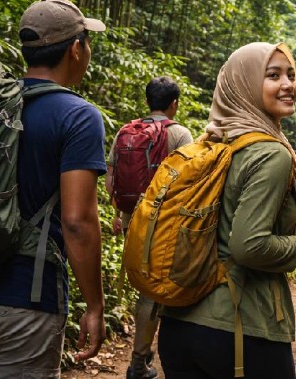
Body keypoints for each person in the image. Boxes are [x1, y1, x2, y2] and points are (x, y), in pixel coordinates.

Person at [0, 0, 108, 378]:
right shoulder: (78, 116)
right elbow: (78, 221)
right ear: (77, 49)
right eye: (87, 42)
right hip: (23, 304)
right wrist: (94, 307)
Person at [156, 42, 296, 378]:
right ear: (243, 83)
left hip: (178, 325)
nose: (289, 84)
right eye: (273, 75)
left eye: (291, 74)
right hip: (240, 329)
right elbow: (248, 246)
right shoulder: (270, 154)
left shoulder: (211, 144)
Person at [105, 76, 193, 379]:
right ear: (174, 104)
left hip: (132, 222)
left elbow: (110, 180)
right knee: (155, 294)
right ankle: (139, 362)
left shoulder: (125, 132)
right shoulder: (180, 134)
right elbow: (189, 184)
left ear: (148, 101)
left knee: (145, 289)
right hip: (165, 227)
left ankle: (145, 354)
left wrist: (120, 214)